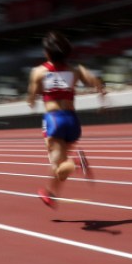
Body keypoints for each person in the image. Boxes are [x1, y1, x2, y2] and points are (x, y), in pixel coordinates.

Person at [26, 30, 107, 208]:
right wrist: (102, 98)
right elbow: (96, 82)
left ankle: (76, 163)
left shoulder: (38, 72)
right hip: (72, 120)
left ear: (47, 52)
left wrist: (32, 101)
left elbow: (31, 97)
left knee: (58, 164)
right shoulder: (76, 70)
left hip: (54, 119)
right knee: (60, 165)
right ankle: (51, 193)